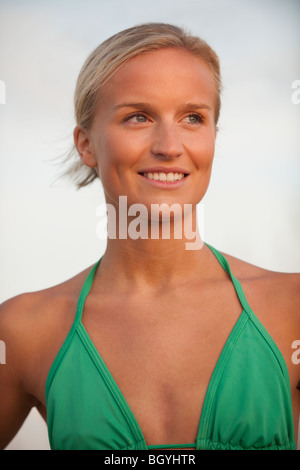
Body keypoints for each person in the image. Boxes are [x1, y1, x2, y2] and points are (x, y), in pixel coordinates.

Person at [0, 23, 299, 451]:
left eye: (193, 118)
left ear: (213, 136)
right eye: (138, 117)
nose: (169, 146)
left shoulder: (292, 308)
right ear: (86, 145)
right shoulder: (24, 330)